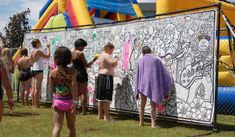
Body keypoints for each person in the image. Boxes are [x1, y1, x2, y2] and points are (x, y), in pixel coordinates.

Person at [135, 46, 173, 128]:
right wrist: (169, 80)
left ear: (143, 53)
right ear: (150, 51)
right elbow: (163, 72)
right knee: (153, 105)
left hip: (143, 85)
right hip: (153, 85)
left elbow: (138, 75)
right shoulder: (156, 60)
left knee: (142, 104)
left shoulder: (140, 61)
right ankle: (153, 124)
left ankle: (141, 122)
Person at [50, 46, 77, 137]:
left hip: (58, 102)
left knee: (57, 126)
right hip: (70, 102)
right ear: (69, 59)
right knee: (71, 126)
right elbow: (74, 87)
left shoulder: (53, 73)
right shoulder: (72, 71)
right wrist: (75, 101)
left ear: (56, 58)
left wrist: (55, 99)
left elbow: (52, 89)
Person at [71, 38, 98, 115]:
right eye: (83, 46)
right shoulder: (80, 54)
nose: (83, 48)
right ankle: (84, 111)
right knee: (83, 93)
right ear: (79, 46)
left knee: (75, 93)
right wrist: (94, 60)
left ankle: (74, 109)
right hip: (82, 73)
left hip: (75, 74)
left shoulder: (71, 53)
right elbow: (87, 65)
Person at [96, 43, 118, 121]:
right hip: (106, 77)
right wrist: (116, 58)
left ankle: (100, 115)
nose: (112, 51)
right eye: (112, 49)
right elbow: (112, 63)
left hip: (101, 76)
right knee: (106, 97)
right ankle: (107, 117)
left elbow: (108, 65)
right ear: (108, 48)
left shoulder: (101, 55)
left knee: (100, 97)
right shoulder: (106, 55)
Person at [30, 39, 50, 108]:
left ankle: (33, 104)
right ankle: (36, 105)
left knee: (34, 87)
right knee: (37, 88)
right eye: (39, 42)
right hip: (38, 69)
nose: (40, 43)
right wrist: (49, 48)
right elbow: (48, 56)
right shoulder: (38, 51)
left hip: (34, 69)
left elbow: (31, 61)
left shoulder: (32, 51)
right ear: (37, 43)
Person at [0, 43, 14, 122]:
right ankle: (11, 108)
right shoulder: (10, 60)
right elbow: (12, 70)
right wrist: (11, 99)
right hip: (6, 76)